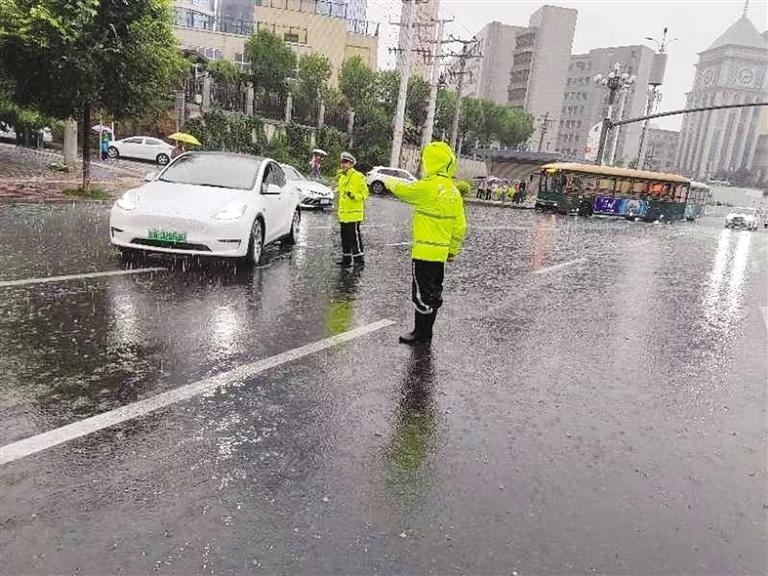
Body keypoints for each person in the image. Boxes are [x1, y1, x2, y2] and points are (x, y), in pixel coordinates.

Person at [384, 141, 467, 345]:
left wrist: (386, 180)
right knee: (433, 291)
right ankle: (426, 333)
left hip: (423, 253)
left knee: (421, 294)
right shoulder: (454, 192)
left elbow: (403, 189)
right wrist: (452, 250)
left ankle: (420, 334)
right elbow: (460, 226)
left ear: (432, 162)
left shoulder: (428, 187)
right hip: (440, 255)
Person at [336, 151, 369, 268]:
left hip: (354, 215)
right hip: (343, 214)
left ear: (351, 164)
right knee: (344, 237)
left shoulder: (358, 176)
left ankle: (359, 260)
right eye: (342, 162)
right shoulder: (341, 177)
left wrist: (354, 195)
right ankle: (346, 259)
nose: (343, 165)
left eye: (346, 162)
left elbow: (365, 194)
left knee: (354, 237)